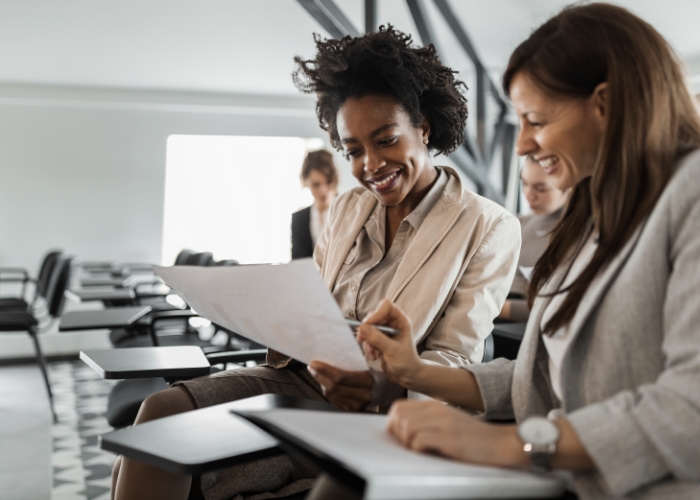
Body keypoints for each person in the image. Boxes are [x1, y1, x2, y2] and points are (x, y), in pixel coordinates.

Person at [111, 26, 521, 500]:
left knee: (181, 448)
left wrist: (381, 387)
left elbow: (456, 357)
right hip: (304, 379)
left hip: (388, 409)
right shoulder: (348, 208)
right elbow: (316, 315)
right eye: (353, 151)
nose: (370, 164)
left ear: (423, 128)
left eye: (386, 140)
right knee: (159, 411)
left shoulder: (487, 225)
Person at [333, 4, 700, 500]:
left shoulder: (690, 193)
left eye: (534, 120)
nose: (523, 144)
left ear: (605, 104)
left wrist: (514, 444)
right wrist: (416, 372)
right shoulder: (590, 216)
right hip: (563, 475)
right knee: (344, 480)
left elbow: (689, 411)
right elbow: (536, 382)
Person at [499, 155, 568, 322]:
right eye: (525, 183)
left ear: (569, 186)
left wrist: (491, 307)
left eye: (541, 188)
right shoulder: (517, 223)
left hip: (515, 327)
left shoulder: (576, 237)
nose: (529, 195)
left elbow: (560, 309)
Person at [291, 150, 338, 259]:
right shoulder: (299, 219)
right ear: (306, 182)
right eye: (316, 185)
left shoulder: (350, 213)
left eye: (328, 182)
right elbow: (297, 261)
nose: (323, 190)